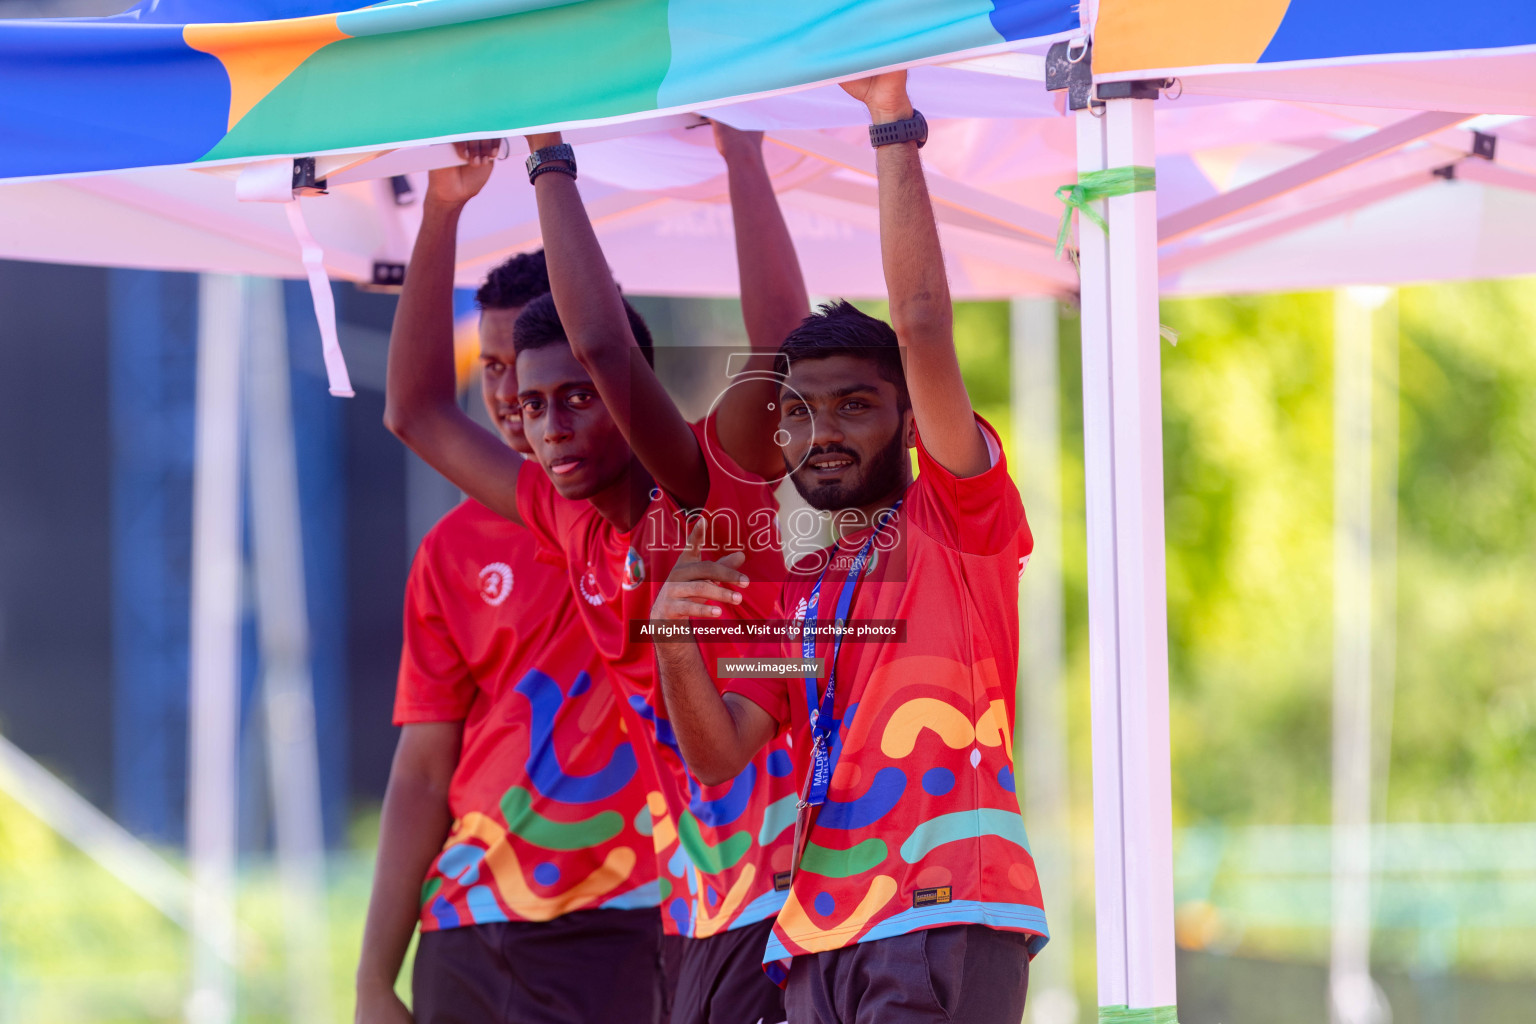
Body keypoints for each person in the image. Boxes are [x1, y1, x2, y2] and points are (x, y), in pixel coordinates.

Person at [384, 126, 807, 1024]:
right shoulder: (564, 521)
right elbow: (417, 410)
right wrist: (445, 204)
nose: (552, 426)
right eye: (532, 407)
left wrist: (553, 152)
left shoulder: (707, 488)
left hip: (791, 899)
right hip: (697, 912)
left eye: (576, 399)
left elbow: (749, 356)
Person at [650, 71, 1047, 1023]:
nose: (823, 431)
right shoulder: (805, 590)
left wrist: (888, 121)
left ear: (910, 421)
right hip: (818, 938)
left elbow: (918, 325)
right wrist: (672, 638)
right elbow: (718, 755)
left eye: (856, 405)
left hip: (941, 911)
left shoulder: (957, 520)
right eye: (800, 411)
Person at [359, 251, 663, 1024]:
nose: (503, 397)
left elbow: (418, 412)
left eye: (572, 389)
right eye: (493, 368)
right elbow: (424, 771)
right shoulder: (455, 547)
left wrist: (546, 157)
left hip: (634, 918)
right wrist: (372, 981)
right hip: (468, 927)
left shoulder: (674, 510)